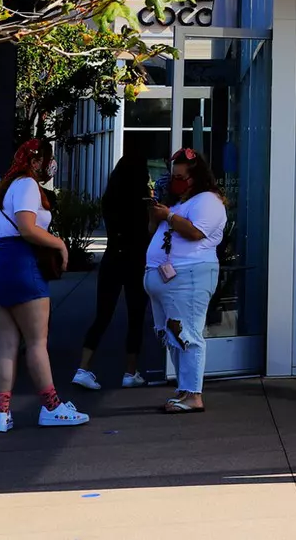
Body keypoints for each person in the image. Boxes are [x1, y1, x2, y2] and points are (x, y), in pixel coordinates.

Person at [0, 138, 89, 432]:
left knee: (6, 344)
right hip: (21, 264)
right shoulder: (28, 185)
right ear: (37, 161)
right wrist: (60, 244)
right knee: (37, 342)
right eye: (47, 158)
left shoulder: (6, 187)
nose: (50, 165)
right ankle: (52, 406)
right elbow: (28, 229)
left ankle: (1, 415)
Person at [145, 147, 227, 414]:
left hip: (190, 275)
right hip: (167, 279)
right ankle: (184, 388)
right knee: (174, 335)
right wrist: (157, 214)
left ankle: (193, 394)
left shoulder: (208, 200)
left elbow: (195, 232)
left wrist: (168, 215)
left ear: (196, 176)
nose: (176, 180)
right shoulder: (179, 203)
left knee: (188, 334)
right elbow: (154, 232)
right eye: (174, 175)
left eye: (181, 176)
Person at [72, 158, 154, 392]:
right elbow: (149, 230)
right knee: (136, 316)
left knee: (103, 314)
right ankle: (130, 371)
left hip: (112, 257)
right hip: (136, 259)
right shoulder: (143, 201)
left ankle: (83, 367)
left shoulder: (110, 198)